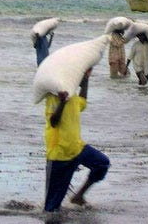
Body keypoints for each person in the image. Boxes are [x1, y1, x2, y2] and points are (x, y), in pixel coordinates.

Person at [44, 68, 110, 212]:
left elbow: (82, 103)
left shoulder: (72, 95)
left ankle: (78, 196)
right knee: (51, 209)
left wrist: (85, 81)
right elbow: (53, 121)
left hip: (77, 148)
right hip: (60, 154)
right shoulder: (53, 97)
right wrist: (62, 102)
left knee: (102, 164)